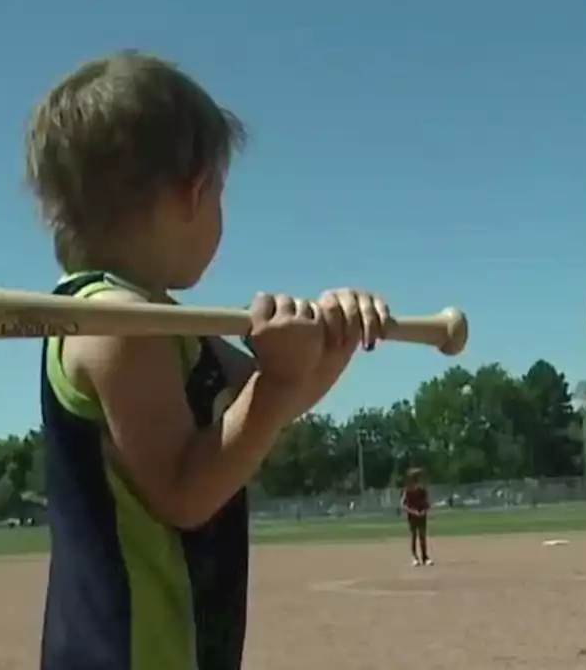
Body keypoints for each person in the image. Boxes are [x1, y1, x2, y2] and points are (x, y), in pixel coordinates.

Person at [26, 50, 393, 670]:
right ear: (195, 193)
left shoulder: (160, 319)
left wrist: (328, 344)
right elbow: (184, 492)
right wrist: (277, 381)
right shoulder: (115, 324)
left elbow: (268, 411)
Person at [400, 468, 433, 566]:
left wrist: (424, 511)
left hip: (422, 515)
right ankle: (414, 557)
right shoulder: (407, 491)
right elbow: (403, 504)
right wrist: (413, 512)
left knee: (422, 536)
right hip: (412, 516)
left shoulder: (422, 490)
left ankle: (425, 557)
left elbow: (427, 503)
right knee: (414, 536)